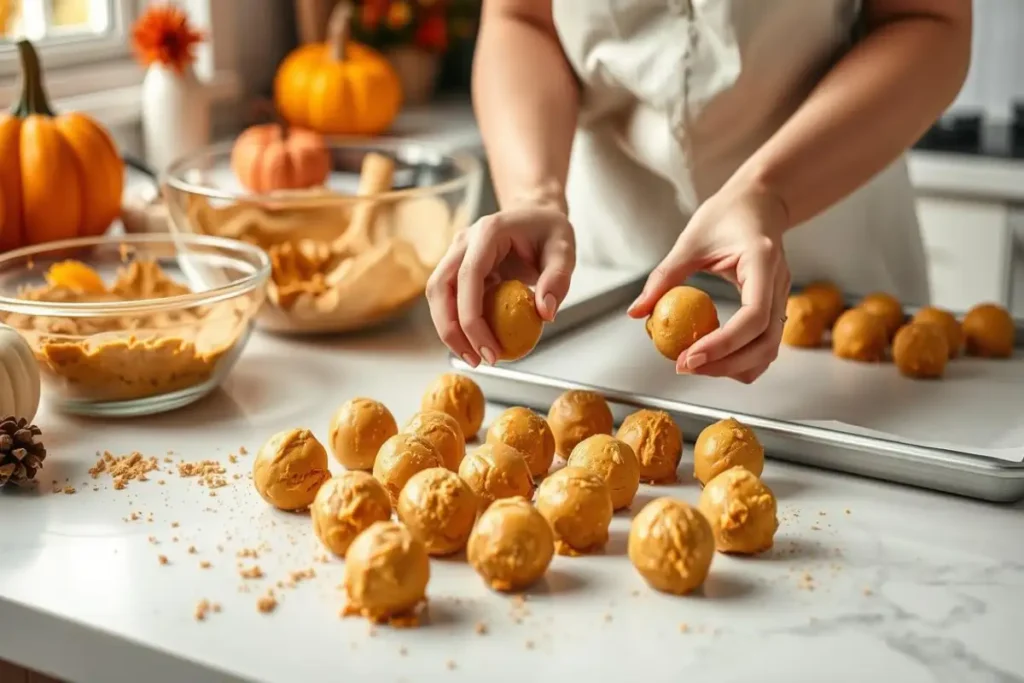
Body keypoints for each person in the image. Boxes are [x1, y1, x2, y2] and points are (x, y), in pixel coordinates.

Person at [425, 0, 972, 383]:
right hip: (600, 262)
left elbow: (929, 20)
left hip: (830, 225)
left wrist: (770, 191)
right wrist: (535, 194)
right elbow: (522, 18)